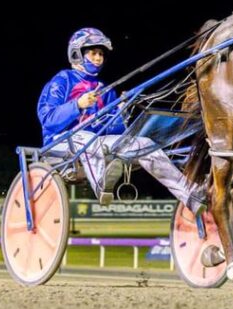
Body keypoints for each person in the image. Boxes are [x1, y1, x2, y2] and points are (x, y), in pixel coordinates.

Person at [37, 27, 206, 212]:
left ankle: (191, 194)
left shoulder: (104, 89)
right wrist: (77, 104)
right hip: (60, 142)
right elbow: (48, 119)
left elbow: (115, 132)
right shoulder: (62, 80)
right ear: (77, 54)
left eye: (101, 54)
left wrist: (121, 112)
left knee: (144, 144)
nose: (98, 58)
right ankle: (102, 185)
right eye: (93, 53)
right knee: (87, 139)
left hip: (95, 143)